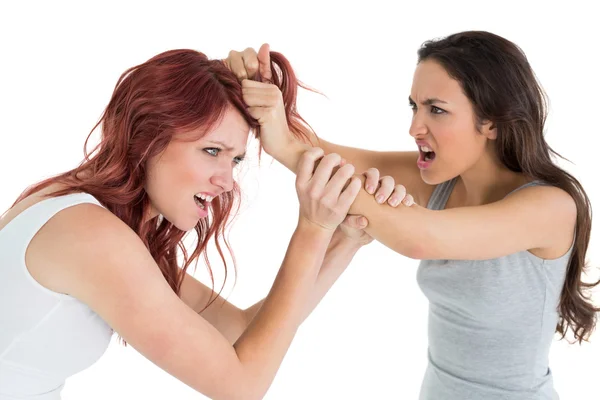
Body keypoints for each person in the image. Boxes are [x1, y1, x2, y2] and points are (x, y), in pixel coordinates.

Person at [0, 49, 413, 400]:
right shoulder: (88, 234)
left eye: (234, 159)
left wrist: (345, 239)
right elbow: (240, 386)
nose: (227, 180)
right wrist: (312, 229)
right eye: (211, 150)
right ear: (146, 139)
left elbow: (239, 331)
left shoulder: (93, 221)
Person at [226, 31, 598, 399]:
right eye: (414, 106)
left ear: (492, 123)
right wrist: (264, 98)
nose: (414, 128)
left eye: (436, 110)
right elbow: (320, 153)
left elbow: (420, 237)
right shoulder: (443, 183)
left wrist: (284, 144)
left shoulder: (551, 207)